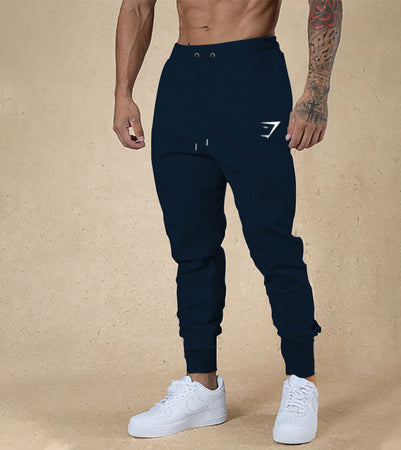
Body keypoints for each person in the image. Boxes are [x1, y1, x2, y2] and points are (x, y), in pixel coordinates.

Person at [113, 0, 342, 444]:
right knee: (191, 243)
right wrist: (124, 92)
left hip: (251, 78)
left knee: (271, 240)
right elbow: (137, 6)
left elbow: (325, 3)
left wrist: (316, 91)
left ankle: (302, 379)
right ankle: (202, 386)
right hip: (182, 82)